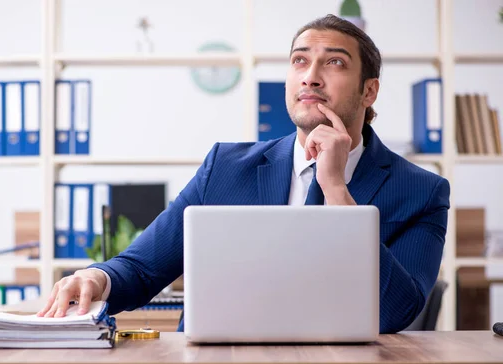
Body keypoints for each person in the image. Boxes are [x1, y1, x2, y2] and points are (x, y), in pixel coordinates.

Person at [38, 14, 450, 334]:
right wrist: (96, 275)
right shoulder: (225, 167)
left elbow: (396, 312)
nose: (310, 75)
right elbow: (144, 268)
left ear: (368, 91)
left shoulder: (421, 191)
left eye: (335, 62)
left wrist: (337, 190)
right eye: (299, 61)